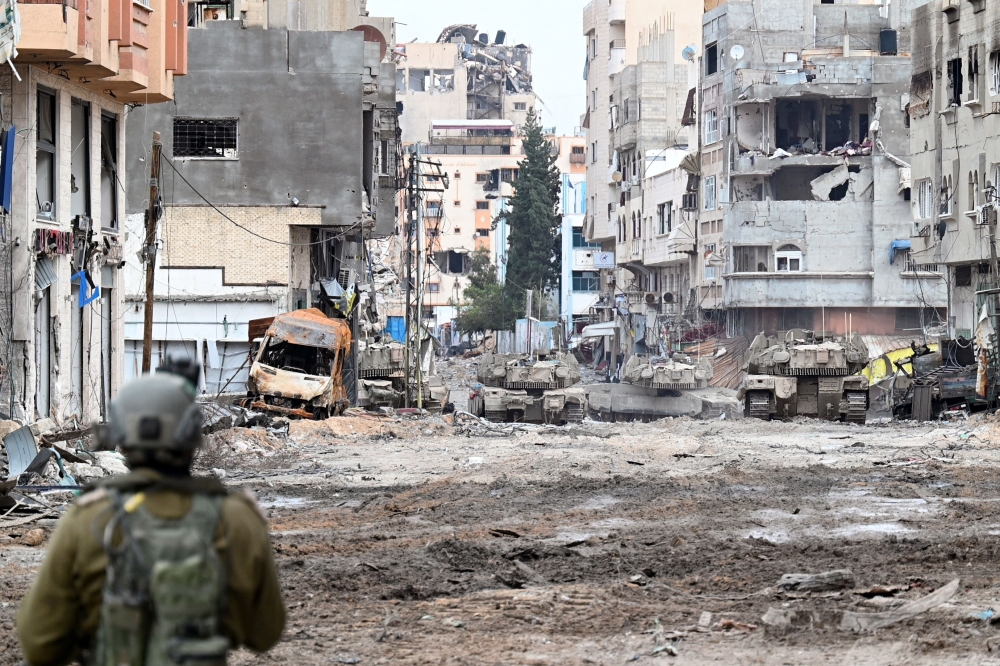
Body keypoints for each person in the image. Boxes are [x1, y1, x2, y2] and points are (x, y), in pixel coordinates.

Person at [16, 368, 285, 666]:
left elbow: (39, 644)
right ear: (192, 440)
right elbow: (266, 633)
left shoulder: (88, 519)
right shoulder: (237, 519)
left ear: (125, 443)